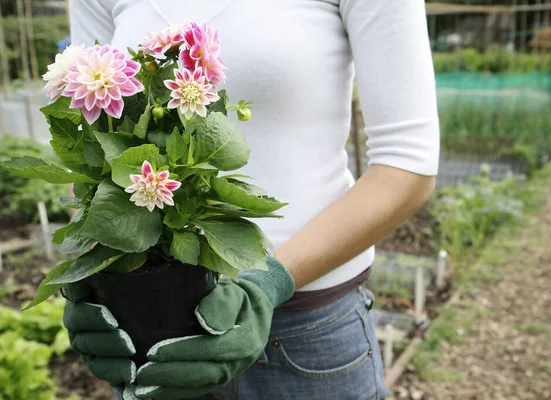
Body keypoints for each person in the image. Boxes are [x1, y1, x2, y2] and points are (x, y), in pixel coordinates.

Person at [62, 0, 439, 399]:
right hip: (159, 335)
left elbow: (407, 163)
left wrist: (268, 284)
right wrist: (94, 275)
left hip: (302, 334)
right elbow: (90, 147)